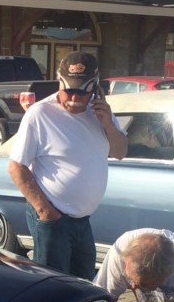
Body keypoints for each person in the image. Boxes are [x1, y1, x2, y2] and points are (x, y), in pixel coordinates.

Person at [8, 51, 128, 280]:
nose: (74, 97)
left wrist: (108, 125)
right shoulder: (40, 113)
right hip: (53, 217)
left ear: (95, 88)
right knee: (52, 286)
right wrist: (45, 211)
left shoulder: (101, 112)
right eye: (69, 90)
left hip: (83, 220)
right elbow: (16, 167)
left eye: (82, 92)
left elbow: (120, 152)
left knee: (83, 284)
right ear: (59, 83)